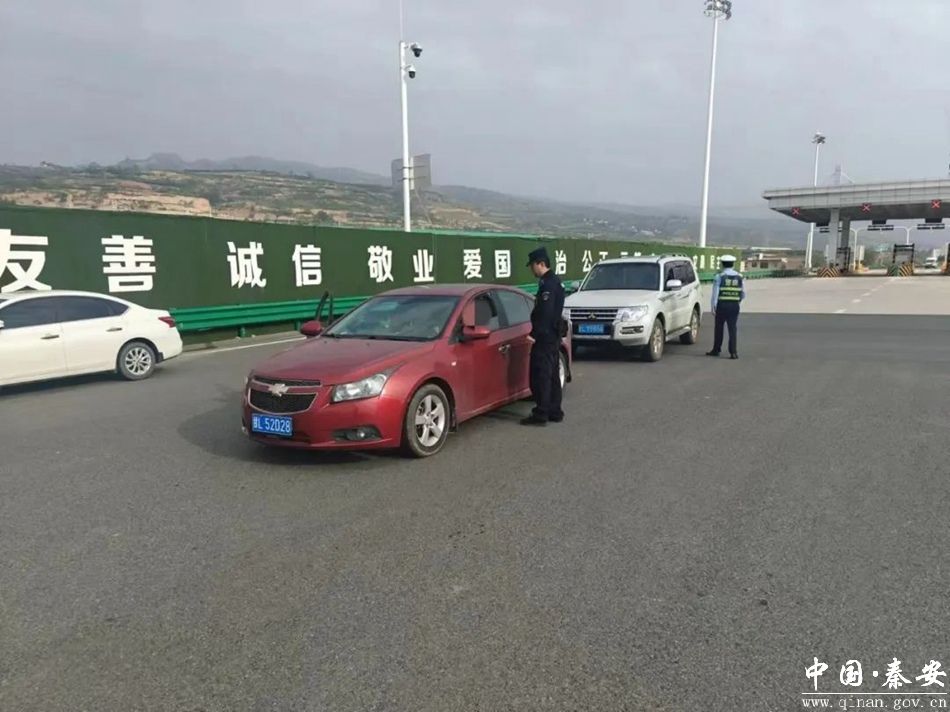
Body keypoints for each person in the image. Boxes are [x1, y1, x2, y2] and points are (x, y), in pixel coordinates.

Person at [521, 247, 565, 426]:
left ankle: (541, 413)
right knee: (552, 375)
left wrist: (534, 334)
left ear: (540, 264)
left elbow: (545, 313)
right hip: (552, 336)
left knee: (541, 376)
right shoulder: (555, 281)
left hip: (545, 338)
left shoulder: (548, 284)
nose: (532, 269)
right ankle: (555, 411)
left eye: (532, 265)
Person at [706, 254, 745, 360]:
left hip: (722, 305)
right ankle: (733, 352)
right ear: (733, 264)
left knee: (719, 328)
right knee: (732, 329)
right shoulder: (740, 277)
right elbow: (743, 294)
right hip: (734, 305)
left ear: (722, 264)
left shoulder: (719, 276)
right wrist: (737, 301)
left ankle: (716, 349)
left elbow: (715, 294)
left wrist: (713, 306)